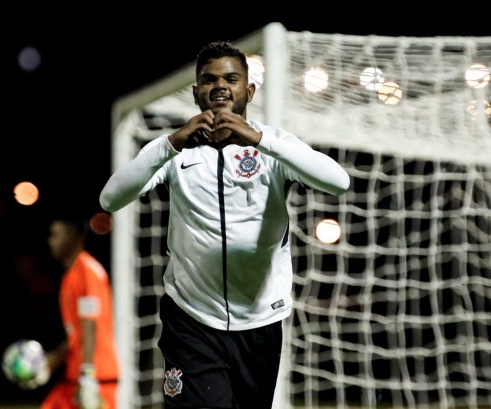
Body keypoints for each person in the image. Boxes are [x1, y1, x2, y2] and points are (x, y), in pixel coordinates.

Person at [99, 40, 351, 408]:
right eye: (209, 79)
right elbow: (110, 199)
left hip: (260, 320)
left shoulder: (273, 147)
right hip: (191, 319)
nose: (220, 85)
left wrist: (260, 140)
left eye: (231, 78)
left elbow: (338, 182)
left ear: (248, 91)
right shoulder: (174, 151)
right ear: (196, 92)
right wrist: (170, 143)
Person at [40, 214, 119, 409]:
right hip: (76, 378)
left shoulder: (86, 271)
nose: (51, 241)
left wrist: (88, 375)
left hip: (97, 379)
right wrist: (53, 361)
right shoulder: (72, 274)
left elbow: (90, 323)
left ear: (74, 237)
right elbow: (77, 332)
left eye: (56, 235)